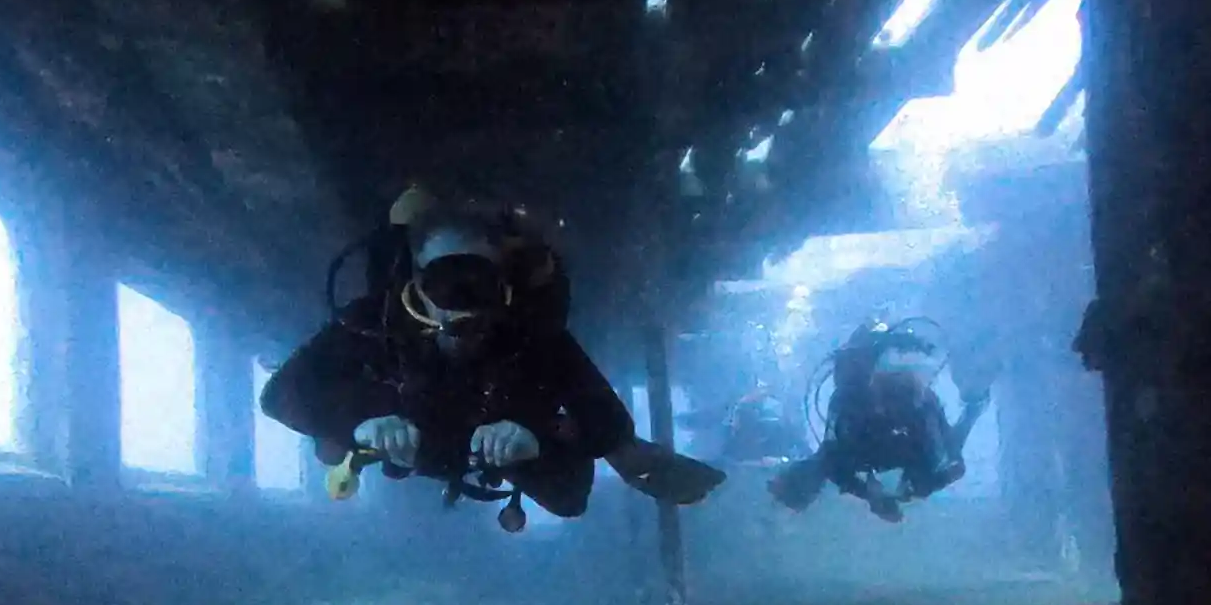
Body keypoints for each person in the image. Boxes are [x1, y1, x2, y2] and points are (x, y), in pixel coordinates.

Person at [261, 192, 722, 518]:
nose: (462, 303)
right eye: (446, 281)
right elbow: (281, 393)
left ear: (503, 284)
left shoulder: (529, 333)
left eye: (476, 282)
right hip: (407, 441)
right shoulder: (374, 320)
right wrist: (357, 420)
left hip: (496, 448)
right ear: (415, 283)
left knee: (568, 496)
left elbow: (606, 430)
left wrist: (535, 439)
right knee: (328, 444)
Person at [768, 320, 989, 522]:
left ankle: (974, 408)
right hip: (872, 450)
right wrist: (870, 495)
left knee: (935, 467)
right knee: (825, 462)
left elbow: (944, 461)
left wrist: (914, 488)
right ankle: (974, 408)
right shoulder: (850, 400)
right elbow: (832, 460)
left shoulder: (918, 403)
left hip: (893, 450)